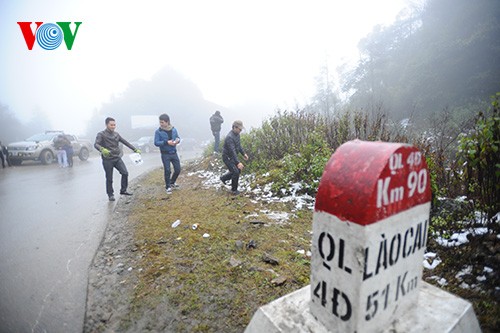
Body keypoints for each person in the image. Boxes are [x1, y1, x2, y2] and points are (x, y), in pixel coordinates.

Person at [94, 117, 141, 201]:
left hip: (117, 158)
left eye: (114, 125)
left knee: (125, 173)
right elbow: (96, 144)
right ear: (106, 125)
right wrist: (102, 149)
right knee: (109, 178)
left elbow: (125, 142)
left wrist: (134, 149)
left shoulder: (116, 134)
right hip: (107, 159)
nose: (113, 126)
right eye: (111, 125)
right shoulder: (101, 134)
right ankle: (110, 194)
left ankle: (123, 190)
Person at [154, 113, 181, 194]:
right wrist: (166, 142)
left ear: (167, 122)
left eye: (162, 122)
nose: (161, 124)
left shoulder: (174, 129)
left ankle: (172, 182)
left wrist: (177, 141)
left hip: (174, 152)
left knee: (178, 169)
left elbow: (178, 138)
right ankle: (168, 186)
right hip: (165, 154)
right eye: (160, 122)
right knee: (167, 170)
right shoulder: (158, 131)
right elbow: (156, 142)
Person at [220, 120, 248, 195]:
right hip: (227, 157)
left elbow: (239, 146)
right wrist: (238, 162)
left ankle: (223, 178)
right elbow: (232, 151)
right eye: (239, 129)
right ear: (234, 127)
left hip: (232, 157)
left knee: (237, 171)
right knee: (235, 171)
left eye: (241, 129)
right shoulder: (229, 137)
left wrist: (243, 153)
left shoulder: (237, 135)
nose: (240, 131)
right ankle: (234, 190)